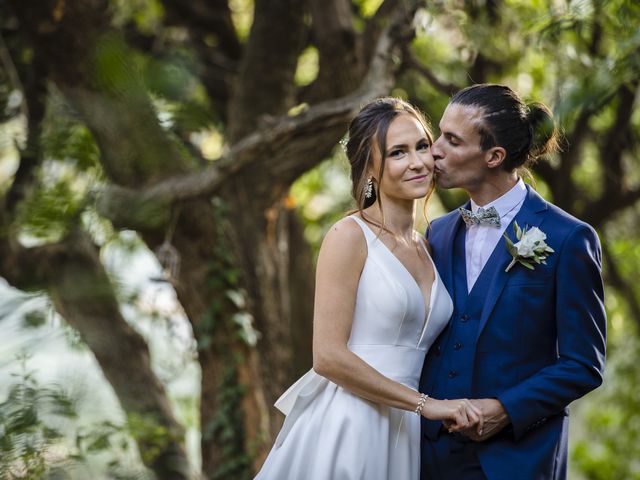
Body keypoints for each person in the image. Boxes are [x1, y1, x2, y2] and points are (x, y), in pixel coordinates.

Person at [255, 97, 484, 479]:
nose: (418, 162)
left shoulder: (429, 247)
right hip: (350, 421)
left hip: (405, 430)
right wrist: (426, 405)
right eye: (398, 152)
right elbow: (327, 356)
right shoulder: (349, 236)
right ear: (370, 169)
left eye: (422, 146)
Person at [419, 83, 607, 480]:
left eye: (452, 141)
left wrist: (504, 410)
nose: (434, 149)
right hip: (429, 456)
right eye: (439, 134)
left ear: (494, 156)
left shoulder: (568, 238)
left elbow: (583, 364)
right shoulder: (436, 233)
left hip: (518, 460)